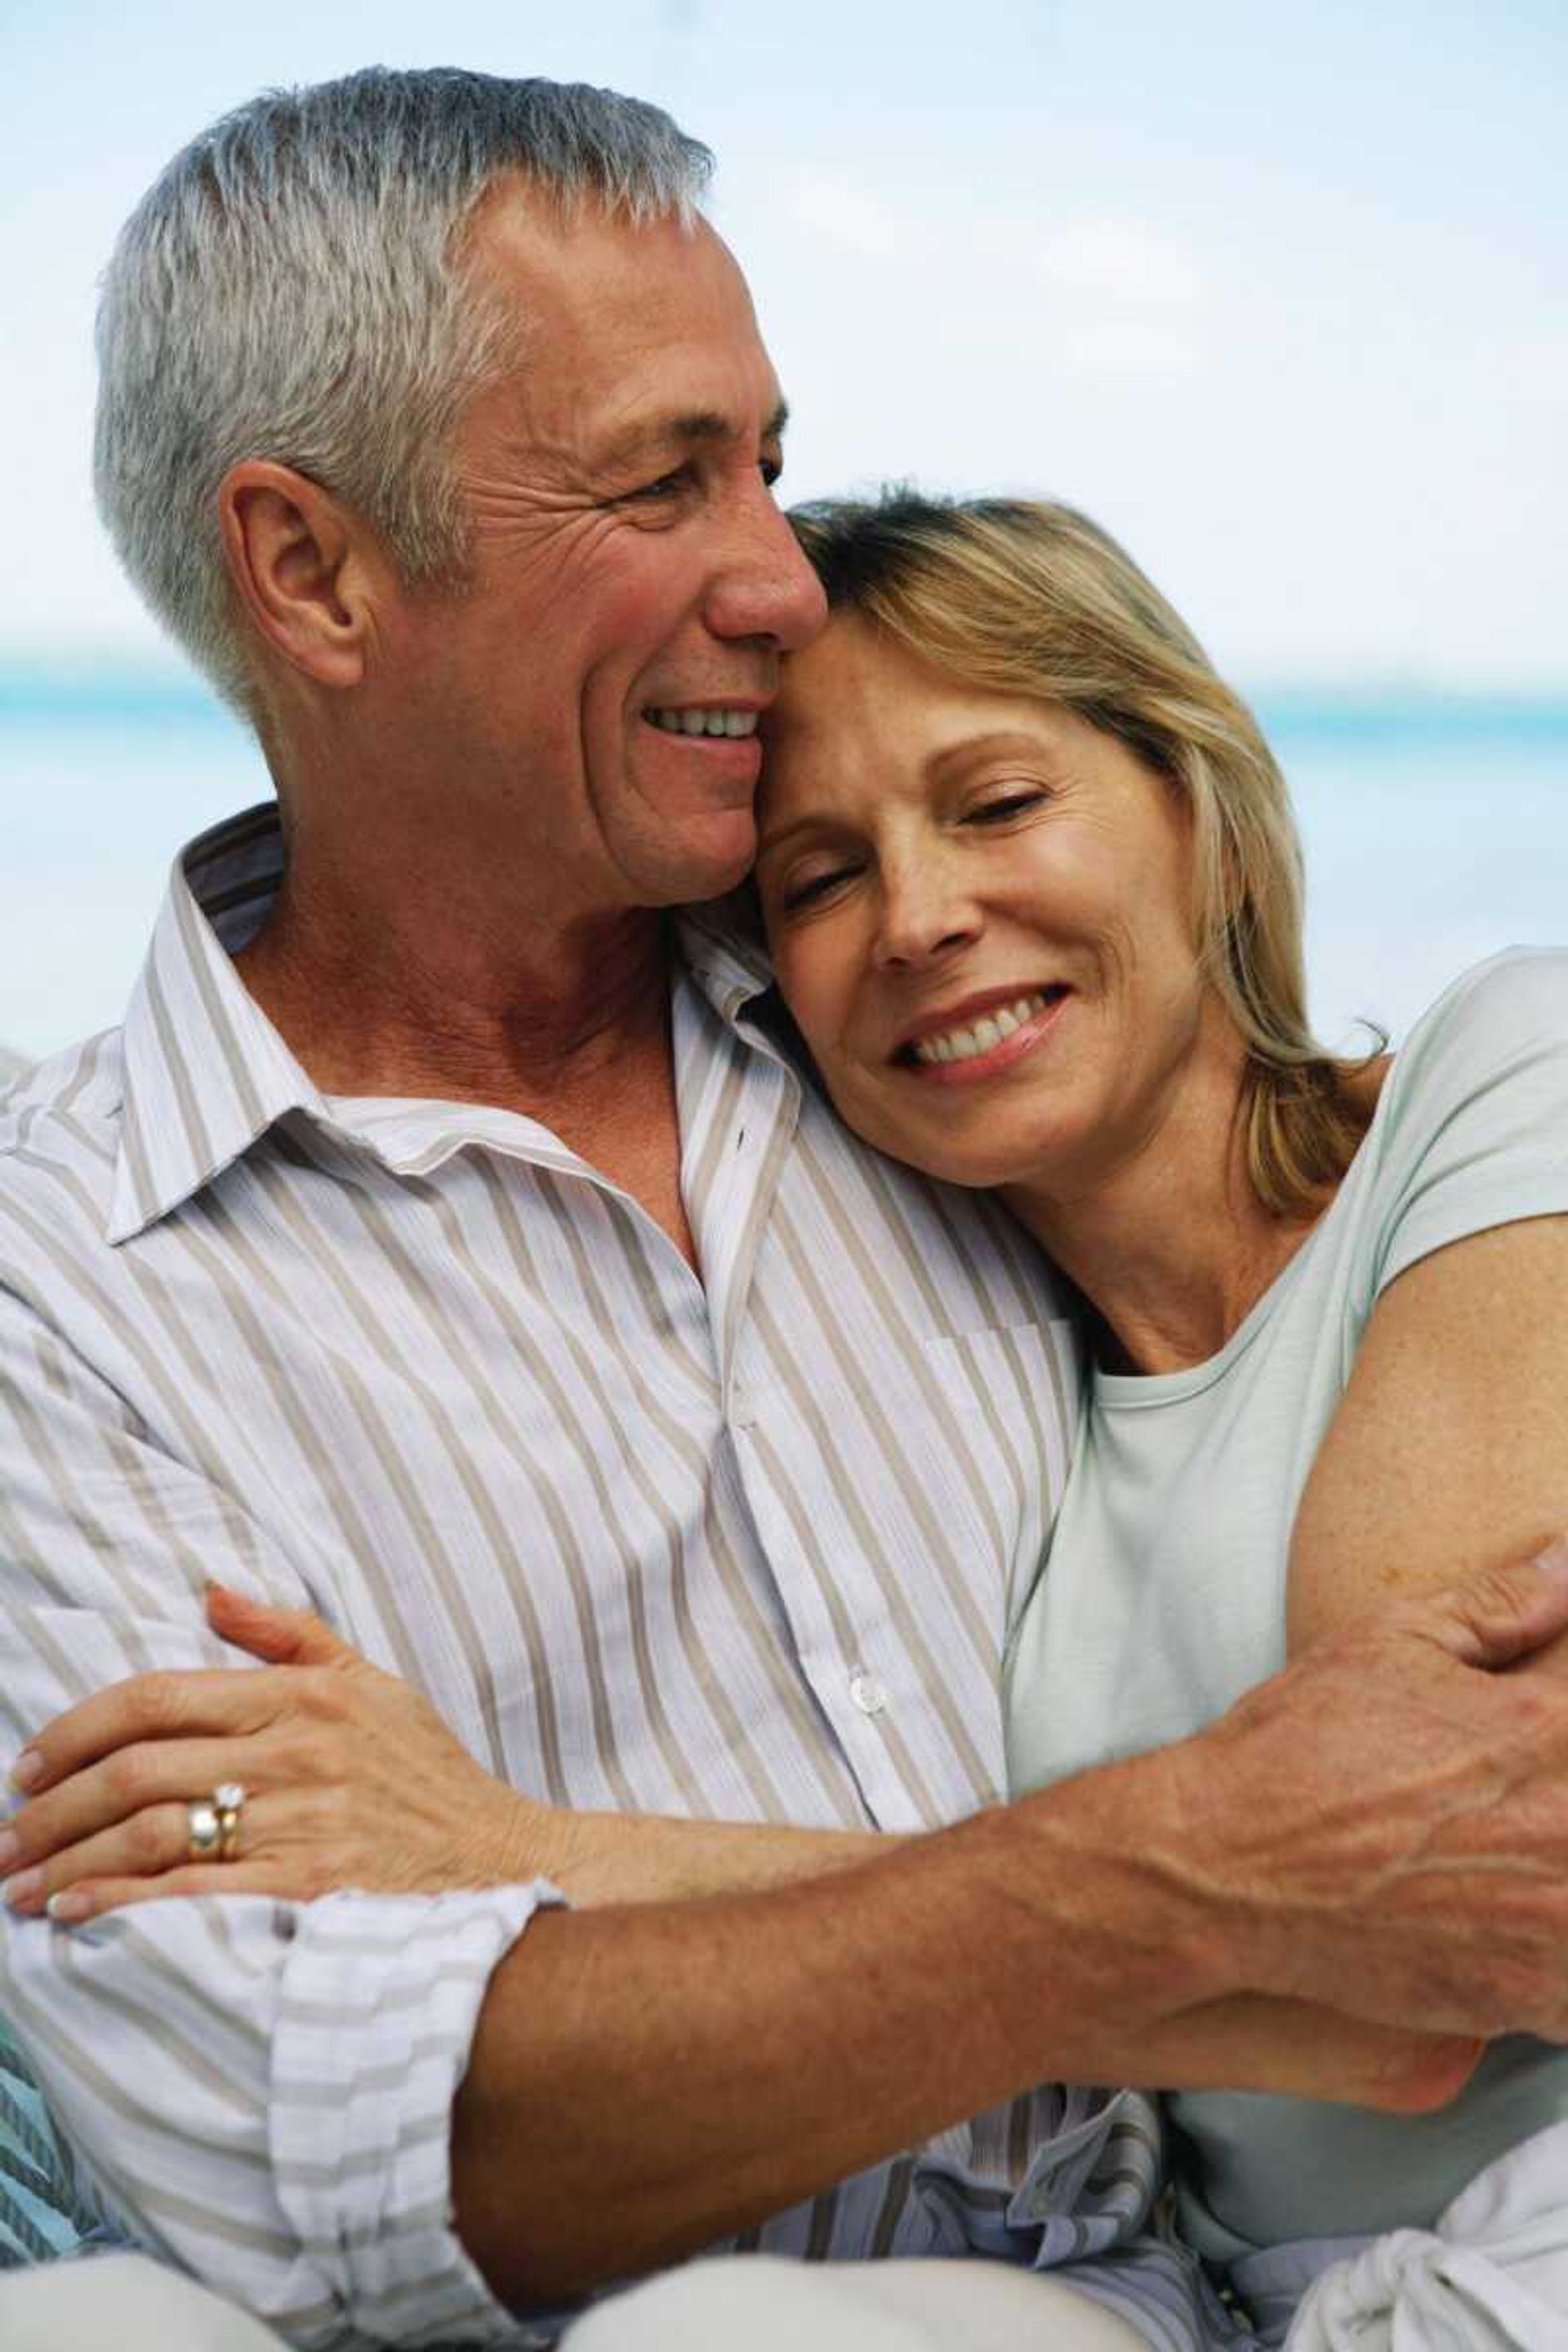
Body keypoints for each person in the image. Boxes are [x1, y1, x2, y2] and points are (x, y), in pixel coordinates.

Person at [5, 64, 1568, 2352]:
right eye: (664, 482)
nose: (775, 573)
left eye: (766, 457)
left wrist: (505, 1848)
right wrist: (1178, 1886)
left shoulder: (920, 1067)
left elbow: (1422, 1872)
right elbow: (287, 2142)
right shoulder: (62, 1277)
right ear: (314, 568)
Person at [749, 490, 1568, 2341]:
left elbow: (1422, 1919)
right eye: (815, 878)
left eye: (998, 803)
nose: (921, 918)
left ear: (1191, 800)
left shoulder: (1506, 1078)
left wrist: (473, 1851)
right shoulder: (979, 1440)